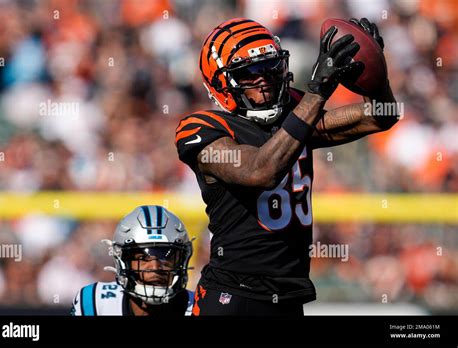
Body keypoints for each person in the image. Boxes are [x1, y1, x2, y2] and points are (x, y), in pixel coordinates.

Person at [175, 17, 399, 316]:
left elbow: (380, 116)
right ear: (220, 82)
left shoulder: (294, 111)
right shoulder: (202, 128)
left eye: (269, 67)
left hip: (289, 296)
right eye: (248, 73)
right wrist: (317, 92)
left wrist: (375, 76)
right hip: (232, 297)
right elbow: (260, 171)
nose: (263, 79)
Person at [71, 205, 194, 316]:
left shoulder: (199, 306)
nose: (155, 266)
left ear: (180, 261)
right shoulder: (95, 303)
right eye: (142, 258)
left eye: (165, 257)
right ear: (122, 261)